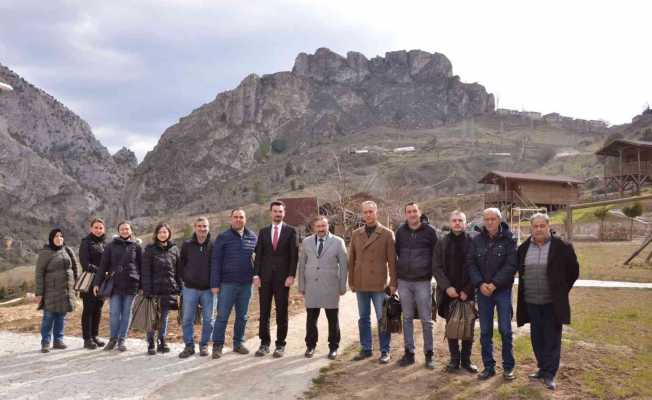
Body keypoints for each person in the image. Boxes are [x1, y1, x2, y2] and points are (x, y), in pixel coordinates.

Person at [516, 213, 579, 391]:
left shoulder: (562, 246)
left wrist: (561, 290)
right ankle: (542, 368)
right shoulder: (523, 248)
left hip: (552, 302)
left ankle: (550, 373)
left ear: (548, 226)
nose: (538, 229)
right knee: (537, 337)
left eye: (542, 226)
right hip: (531, 301)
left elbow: (573, 271)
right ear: (531, 228)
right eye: (535, 226)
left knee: (552, 338)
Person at [467, 208, 518, 380]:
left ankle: (508, 367)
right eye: (486, 219)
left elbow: (511, 265)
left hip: (502, 291)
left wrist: (495, 284)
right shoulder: (477, 240)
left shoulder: (509, 239)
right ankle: (489, 367)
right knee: (485, 331)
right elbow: (471, 264)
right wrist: (480, 283)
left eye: (493, 219)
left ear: (499, 220)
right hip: (483, 293)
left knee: (505, 330)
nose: (489, 222)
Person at [348, 200, 397, 364]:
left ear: (376, 212)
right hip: (361, 282)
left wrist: (393, 284)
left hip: (379, 284)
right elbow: (351, 259)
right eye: (365, 212)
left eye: (371, 211)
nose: (368, 215)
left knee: (382, 318)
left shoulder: (387, 233)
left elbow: (392, 261)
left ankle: (385, 350)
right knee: (363, 318)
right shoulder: (356, 234)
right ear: (362, 214)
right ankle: (366, 348)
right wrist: (352, 281)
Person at [433, 210, 479, 373]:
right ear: (450, 223)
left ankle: (466, 360)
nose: (457, 223)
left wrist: (468, 289)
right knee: (451, 326)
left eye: (460, 220)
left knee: (468, 327)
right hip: (449, 292)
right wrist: (447, 287)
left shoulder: (473, 242)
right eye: (454, 220)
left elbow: (477, 267)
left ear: (465, 223)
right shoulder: (442, 242)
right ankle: (454, 360)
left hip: (468, 291)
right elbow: (436, 267)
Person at [298, 215, 348, 360]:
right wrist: (301, 285)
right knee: (311, 319)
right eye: (318, 226)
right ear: (314, 227)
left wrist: (342, 286)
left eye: (323, 226)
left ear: (328, 226)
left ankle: (333, 347)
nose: (321, 229)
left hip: (330, 287)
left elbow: (344, 266)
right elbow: (302, 265)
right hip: (311, 287)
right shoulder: (306, 242)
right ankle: (310, 346)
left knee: (333, 319)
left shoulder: (338, 242)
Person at [253, 201, 299, 358]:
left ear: (284, 213)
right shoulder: (263, 231)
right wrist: (256, 275)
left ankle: (280, 345)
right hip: (264, 279)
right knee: (264, 312)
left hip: (282, 279)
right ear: (270, 213)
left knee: (281, 312)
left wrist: (291, 275)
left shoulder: (291, 231)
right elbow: (258, 255)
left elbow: (294, 256)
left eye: (280, 211)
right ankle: (264, 344)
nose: (278, 214)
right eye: (275, 211)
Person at [394, 202, 437, 369]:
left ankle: (429, 354)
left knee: (426, 320)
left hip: (422, 282)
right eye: (409, 212)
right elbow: (398, 253)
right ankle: (409, 353)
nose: (412, 214)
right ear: (406, 214)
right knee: (407, 318)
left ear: (420, 213)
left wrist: (430, 274)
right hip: (404, 282)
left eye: (414, 211)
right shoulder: (401, 232)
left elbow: (436, 255)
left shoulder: (430, 232)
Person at [210, 209, 257, 359]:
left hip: (246, 284)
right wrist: (215, 284)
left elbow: (258, 260)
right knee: (222, 315)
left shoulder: (252, 237)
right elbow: (216, 262)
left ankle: (238, 343)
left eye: (241, 217)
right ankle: (217, 346)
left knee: (242, 316)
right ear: (231, 219)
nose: (238, 219)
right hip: (227, 284)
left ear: (245, 219)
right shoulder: (223, 237)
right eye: (235, 217)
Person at [93, 221, 142, 352]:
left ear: (131, 231)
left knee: (126, 313)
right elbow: (103, 266)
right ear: (118, 231)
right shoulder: (110, 246)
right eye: (122, 229)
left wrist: (142, 285)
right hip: (115, 284)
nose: (125, 231)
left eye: (127, 229)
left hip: (132, 284)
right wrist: (97, 283)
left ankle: (122, 340)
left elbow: (141, 267)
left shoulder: (136, 246)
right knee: (114, 313)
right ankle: (113, 339)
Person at [35, 228, 79, 353]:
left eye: (61, 236)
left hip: (66, 290)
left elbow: (75, 268)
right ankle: (45, 342)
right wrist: (39, 292)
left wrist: (76, 285)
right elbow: (39, 273)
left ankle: (58, 340)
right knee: (48, 317)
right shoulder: (45, 253)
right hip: (51, 290)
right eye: (56, 236)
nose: (59, 238)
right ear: (51, 239)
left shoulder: (67, 250)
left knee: (61, 316)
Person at [141, 222, 181, 355]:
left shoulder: (174, 249)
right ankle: (151, 342)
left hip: (168, 289)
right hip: (153, 290)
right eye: (160, 232)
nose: (163, 234)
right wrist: (146, 290)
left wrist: (179, 288)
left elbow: (178, 271)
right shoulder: (150, 249)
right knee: (152, 318)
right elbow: (145, 271)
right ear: (156, 234)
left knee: (164, 317)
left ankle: (162, 341)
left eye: (165, 232)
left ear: (169, 233)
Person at [178, 217, 215, 358]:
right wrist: (185, 279)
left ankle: (204, 345)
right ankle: (189, 346)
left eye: (205, 226)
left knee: (208, 319)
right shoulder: (187, 245)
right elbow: (181, 264)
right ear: (195, 227)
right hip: (190, 288)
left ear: (208, 227)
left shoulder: (213, 244)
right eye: (199, 226)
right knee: (187, 318)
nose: (202, 229)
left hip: (208, 289)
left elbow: (216, 266)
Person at [78, 218, 107, 350]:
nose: (98, 230)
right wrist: (102, 271)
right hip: (90, 281)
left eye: (100, 228)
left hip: (102, 281)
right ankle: (87, 338)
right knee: (88, 309)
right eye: (96, 227)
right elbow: (85, 264)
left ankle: (95, 336)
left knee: (98, 309)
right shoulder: (86, 242)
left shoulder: (105, 244)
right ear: (91, 229)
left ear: (104, 229)